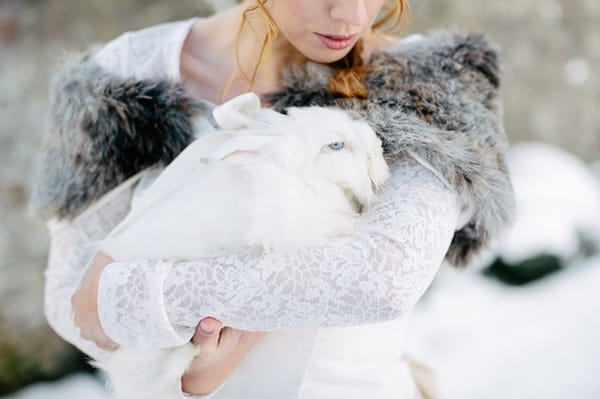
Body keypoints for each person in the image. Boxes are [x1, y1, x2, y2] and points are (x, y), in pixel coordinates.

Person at [32, 0, 514, 398]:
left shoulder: (431, 85)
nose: (350, 14)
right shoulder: (124, 78)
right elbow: (67, 298)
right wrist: (178, 372)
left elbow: (383, 276)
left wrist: (132, 299)